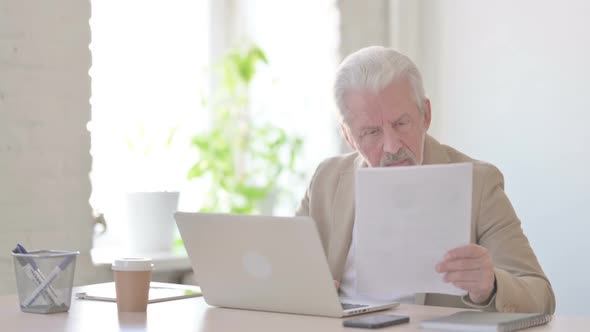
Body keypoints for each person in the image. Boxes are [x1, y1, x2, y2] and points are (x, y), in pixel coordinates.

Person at [296, 46, 555, 314]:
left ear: (426, 115)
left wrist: (490, 285)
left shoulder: (478, 183)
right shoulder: (326, 180)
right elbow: (288, 275)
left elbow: (541, 297)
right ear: (349, 137)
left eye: (401, 123)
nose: (392, 146)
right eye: (371, 131)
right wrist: (304, 290)